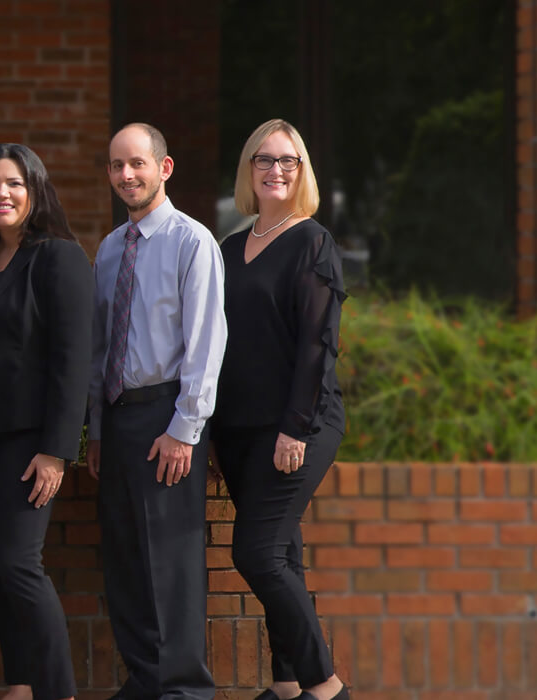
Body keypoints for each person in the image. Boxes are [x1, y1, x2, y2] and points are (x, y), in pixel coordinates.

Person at [85, 123, 225, 700]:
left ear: (163, 169)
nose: (126, 176)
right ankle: (145, 680)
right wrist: (95, 427)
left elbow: (205, 342)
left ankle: (184, 690)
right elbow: (99, 346)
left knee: (170, 565)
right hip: (118, 421)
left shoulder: (193, 242)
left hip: (167, 416)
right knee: (124, 560)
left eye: (137, 164)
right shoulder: (110, 248)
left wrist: (184, 430)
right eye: (117, 166)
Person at [212, 119, 349, 700]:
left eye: (288, 161)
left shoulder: (311, 241)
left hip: (297, 424)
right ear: (249, 171)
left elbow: (317, 342)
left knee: (257, 552)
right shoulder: (227, 248)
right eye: (263, 160)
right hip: (239, 428)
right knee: (283, 555)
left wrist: (294, 428)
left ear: (302, 172)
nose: (275, 170)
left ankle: (326, 686)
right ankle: (288, 686)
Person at [0, 143, 91, 700]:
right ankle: (22, 683)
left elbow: (73, 359)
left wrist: (58, 449)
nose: (0, 194)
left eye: (13, 183)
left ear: (35, 189)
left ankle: (58, 690)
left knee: (19, 564)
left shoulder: (58, 257)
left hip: (30, 442)